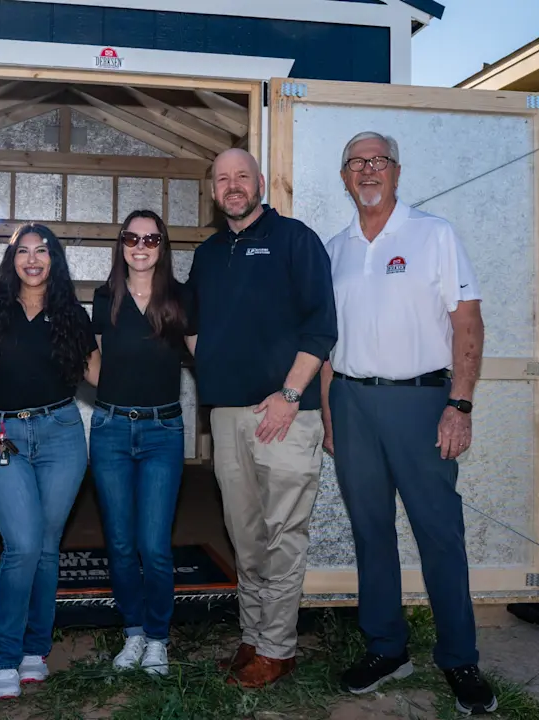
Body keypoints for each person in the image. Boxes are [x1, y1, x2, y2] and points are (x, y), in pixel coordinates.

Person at [320, 131, 496, 714]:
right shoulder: (335, 247)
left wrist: (460, 403)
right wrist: (328, 414)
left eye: (378, 161)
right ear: (344, 178)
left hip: (423, 404)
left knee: (439, 533)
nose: (368, 171)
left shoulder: (434, 234)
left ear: (397, 171)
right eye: (356, 163)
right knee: (371, 533)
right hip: (351, 403)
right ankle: (387, 647)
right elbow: (326, 343)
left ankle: (460, 658)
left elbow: (468, 323)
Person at [186, 147, 337, 689]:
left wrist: (289, 394)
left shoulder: (296, 240)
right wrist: (212, 365)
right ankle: (254, 637)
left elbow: (322, 328)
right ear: (212, 190)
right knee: (244, 534)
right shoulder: (207, 255)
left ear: (260, 184)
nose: (233, 186)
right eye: (222, 178)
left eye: (242, 177)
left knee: (283, 534)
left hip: (285, 416)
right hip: (227, 417)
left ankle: (278, 648)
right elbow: (191, 320)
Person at [0, 223, 100, 700]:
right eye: (22, 251)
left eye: (41, 251)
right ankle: (3, 654)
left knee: (47, 547)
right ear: (11, 262)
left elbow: (98, 376)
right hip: (2, 433)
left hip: (62, 433)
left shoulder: (71, 315)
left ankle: (34, 651)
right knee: (22, 544)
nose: (31, 259)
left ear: (54, 260)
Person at [89, 210, 196, 675]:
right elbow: (91, 362)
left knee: (153, 544)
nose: (140, 245)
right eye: (132, 237)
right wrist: (114, 393)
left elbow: (204, 355)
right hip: (110, 429)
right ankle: (133, 633)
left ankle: (158, 639)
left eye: (151, 238)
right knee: (118, 540)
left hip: (162, 432)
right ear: (121, 244)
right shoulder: (104, 297)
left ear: (162, 246)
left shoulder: (179, 298)